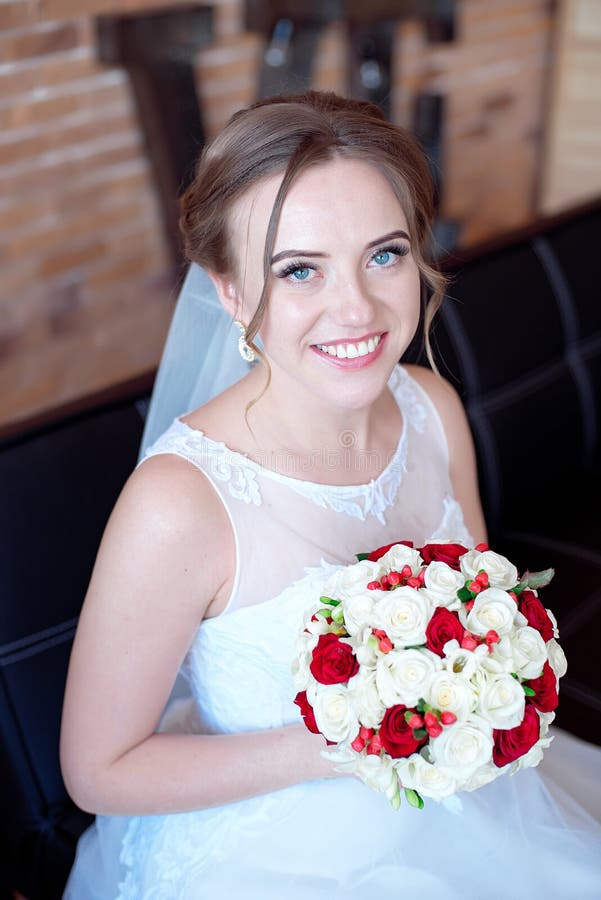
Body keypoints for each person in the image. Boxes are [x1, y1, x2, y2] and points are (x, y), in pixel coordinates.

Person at [60, 90, 601, 899]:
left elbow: (488, 609)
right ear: (231, 293)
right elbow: (99, 772)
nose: (355, 307)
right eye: (299, 269)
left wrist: (477, 699)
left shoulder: (431, 407)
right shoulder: (180, 504)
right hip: (275, 854)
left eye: (383, 255)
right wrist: (356, 739)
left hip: (465, 798)